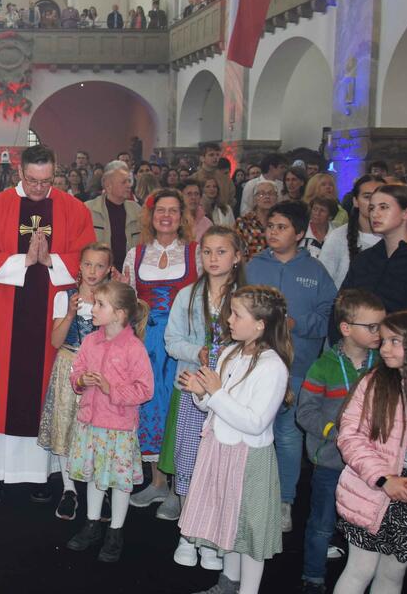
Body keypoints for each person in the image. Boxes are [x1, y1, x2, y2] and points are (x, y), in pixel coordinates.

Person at [0, 146, 96, 507]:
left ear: (55, 174)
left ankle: (43, 473)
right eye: (32, 181)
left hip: (52, 316)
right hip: (6, 316)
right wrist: (24, 260)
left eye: (47, 181)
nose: (40, 189)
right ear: (19, 175)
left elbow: (90, 259)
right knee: (2, 391)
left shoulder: (74, 209)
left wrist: (52, 260)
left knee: (46, 389)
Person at [177, 286, 292, 594]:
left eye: (237, 314)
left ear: (260, 325)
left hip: (248, 458)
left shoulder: (272, 367)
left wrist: (214, 393)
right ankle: (227, 584)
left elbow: (255, 423)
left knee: (250, 532)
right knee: (228, 522)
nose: (229, 319)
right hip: (219, 449)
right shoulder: (230, 352)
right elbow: (214, 407)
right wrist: (201, 394)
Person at [247, 200, 337, 530]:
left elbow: (330, 317)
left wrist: (300, 325)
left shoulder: (315, 272)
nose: (273, 232)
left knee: (287, 434)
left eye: (281, 227)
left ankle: (284, 500)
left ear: (300, 233)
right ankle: (252, 494)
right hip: (254, 365)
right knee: (253, 429)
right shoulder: (254, 266)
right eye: (270, 226)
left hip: (296, 366)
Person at [165, 226, 247, 570]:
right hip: (193, 386)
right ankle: (188, 532)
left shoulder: (246, 296)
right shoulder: (187, 294)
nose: (213, 259)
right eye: (207, 252)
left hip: (230, 391)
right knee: (191, 460)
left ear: (238, 256)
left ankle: (212, 537)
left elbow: (256, 341)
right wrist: (196, 350)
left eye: (221, 252)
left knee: (220, 464)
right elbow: (172, 340)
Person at [295, 289, 386, 594]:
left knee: (364, 521)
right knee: (321, 522)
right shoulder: (324, 366)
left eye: (381, 326)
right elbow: (305, 412)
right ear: (346, 328)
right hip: (332, 460)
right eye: (371, 327)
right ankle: (313, 576)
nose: (379, 333)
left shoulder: (383, 365)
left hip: (371, 463)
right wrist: (336, 431)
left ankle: (360, 572)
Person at [332, 310, 407, 594]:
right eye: (383, 340)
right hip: (370, 491)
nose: (384, 348)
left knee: (392, 576)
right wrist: (384, 479)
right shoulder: (373, 383)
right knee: (359, 570)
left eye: (394, 341)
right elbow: (350, 436)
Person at [123, 189, 201, 513]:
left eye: (173, 211)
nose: (166, 216)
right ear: (151, 217)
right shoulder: (136, 254)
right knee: (151, 407)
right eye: (160, 211)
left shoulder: (196, 253)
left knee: (180, 409)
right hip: (149, 342)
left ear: (182, 216)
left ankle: (180, 487)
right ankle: (157, 482)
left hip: (185, 339)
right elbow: (127, 301)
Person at [64, 281, 153, 563]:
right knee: (94, 476)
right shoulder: (90, 341)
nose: (93, 308)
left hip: (119, 428)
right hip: (92, 422)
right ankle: (92, 524)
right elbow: (76, 371)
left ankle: (116, 531)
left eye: (100, 304)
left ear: (119, 313)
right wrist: (81, 380)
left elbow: (145, 389)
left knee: (119, 482)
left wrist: (110, 389)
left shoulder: (133, 348)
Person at [40, 243, 111, 520]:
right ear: (79, 267)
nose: (93, 271)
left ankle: (98, 489)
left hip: (101, 371)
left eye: (100, 265)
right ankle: (69, 488)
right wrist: (70, 314)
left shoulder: (112, 298)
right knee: (66, 425)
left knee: (99, 430)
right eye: (88, 264)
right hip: (69, 365)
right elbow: (56, 341)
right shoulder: (64, 296)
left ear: (108, 270)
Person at [340, 183, 407, 319]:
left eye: (384, 207)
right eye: (372, 208)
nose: (375, 214)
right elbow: (342, 305)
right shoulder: (364, 259)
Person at [320, 174, 385, 288]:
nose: (373, 203)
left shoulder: (395, 239)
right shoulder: (338, 237)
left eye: (380, 197)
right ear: (355, 201)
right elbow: (322, 282)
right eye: (367, 196)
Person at [86, 166, 141, 270]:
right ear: (108, 186)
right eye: (124, 182)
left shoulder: (137, 210)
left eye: (129, 181)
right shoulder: (88, 210)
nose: (129, 185)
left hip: (130, 274)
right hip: (98, 275)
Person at [236, 179, 279, 260]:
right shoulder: (243, 222)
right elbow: (237, 253)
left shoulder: (283, 222)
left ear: (277, 198)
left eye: (270, 193)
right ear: (255, 199)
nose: (267, 197)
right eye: (261, 194)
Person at [192, 143, 235, 213]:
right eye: (211, 155)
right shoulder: (194, 178)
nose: (215, 158)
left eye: (217, 155)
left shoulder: (225, 178)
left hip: (222, 216)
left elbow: (231, 199)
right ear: (202, 158)